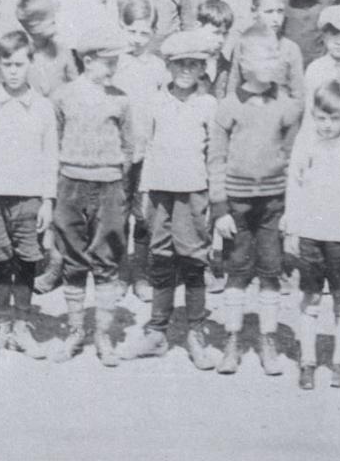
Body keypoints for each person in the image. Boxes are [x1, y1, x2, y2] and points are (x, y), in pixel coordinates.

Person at [208, 28, 305, 375]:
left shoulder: (287, 107)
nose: (272, 62)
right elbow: (216, 159)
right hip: (236, 204)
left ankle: (268, 340)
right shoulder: (228, 105)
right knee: (237, 270)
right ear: (244, 62)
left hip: (274, 204)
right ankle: (231, 341)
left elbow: (294, 161)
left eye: (275, 55)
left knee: (270, 270)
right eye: (264, 55)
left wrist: (292, 210)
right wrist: (219, 208)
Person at [122, 29, 222, 368]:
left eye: (194, 65)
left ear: (202, 69)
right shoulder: (155, 102)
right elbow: (147, 148)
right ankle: (157, 331)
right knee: (160, 257)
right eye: (180, 64)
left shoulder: (208, 105)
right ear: (169, 65)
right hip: (161, 191)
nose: (186, 70)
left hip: (193, 192)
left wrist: (210, 199)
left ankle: (195, 331)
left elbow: (213, 156)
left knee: (193, 260)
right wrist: (146, 192)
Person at [0, 30, 60, 358]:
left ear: (30, 64)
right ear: (0, 65)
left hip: (30, 198)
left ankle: (22, 324)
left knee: (26, 261)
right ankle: (0, 323)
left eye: (19, 64)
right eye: (7, 64)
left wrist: (47, 202)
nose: (13, 71)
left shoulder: (43, 108)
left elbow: (50, 158)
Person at [49, 25, 134, 365]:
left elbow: (129, 147)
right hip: (71, 182)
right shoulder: (63, 96)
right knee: (73, 257)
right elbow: (54, 141)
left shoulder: (121, 99)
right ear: (86, 60)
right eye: (106, 62)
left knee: (107, 257)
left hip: (109, 185)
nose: (112, 69)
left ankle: (103, 335)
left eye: (115, 62)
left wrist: (115, 181)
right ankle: (75, 331)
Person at [282, 81, 340, 391]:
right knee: (311, 295)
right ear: (313, 116)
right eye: (321, 118)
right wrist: (292, 227)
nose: (328, 125)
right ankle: (308, 361)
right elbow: (295, 184)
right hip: (310, 233)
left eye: (334, 119)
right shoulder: (306, 143)